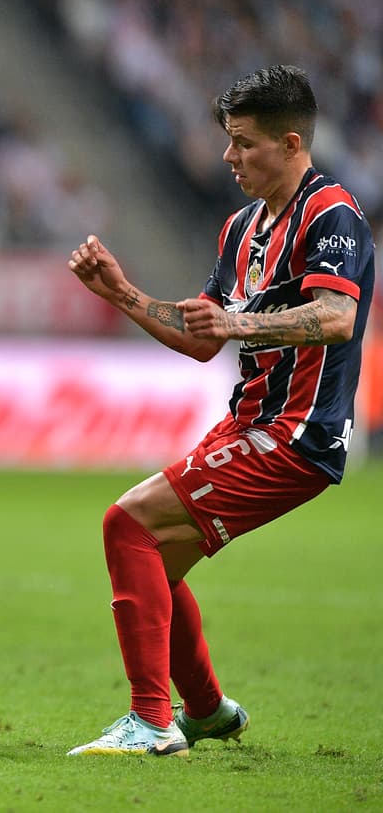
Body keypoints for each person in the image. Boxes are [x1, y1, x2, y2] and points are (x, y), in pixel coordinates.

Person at [65, 65, 374, 756]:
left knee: (127, 523)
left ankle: (153, 719)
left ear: (292, 143)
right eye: (229, 142)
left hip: (296, 433)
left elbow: (336, 317)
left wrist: (238, 326)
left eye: (244, 144)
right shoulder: (241, 229)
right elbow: (201, 333)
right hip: (248, 424)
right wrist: (122, 293)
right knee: (152, 562)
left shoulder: (332, 214)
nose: (229, 157)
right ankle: (203, 709)